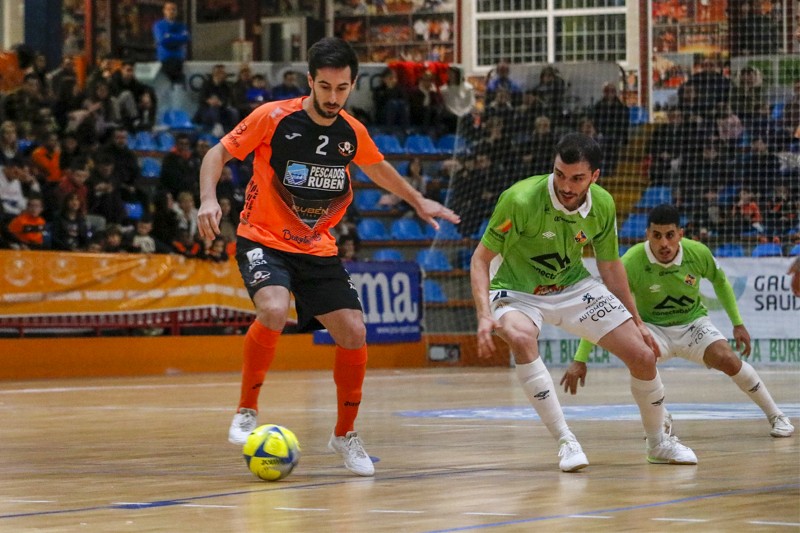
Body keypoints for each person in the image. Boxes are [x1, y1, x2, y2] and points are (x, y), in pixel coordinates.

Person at [196, 37, 460, 477]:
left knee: (355, 332)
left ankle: (345, 434)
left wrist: (418, 200)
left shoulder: (351, 131)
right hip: (262, 236)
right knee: (274, 308)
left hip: (316, 246)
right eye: (324, 87)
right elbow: (217, 152)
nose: (333, 97)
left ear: (352, 85)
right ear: (310, 82)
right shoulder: (274, 117)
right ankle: (246, 409)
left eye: (341, 89)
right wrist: (208, 198)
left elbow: (377, 167)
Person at [469, 132, 697, 473]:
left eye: (577, 178)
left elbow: (609, 266)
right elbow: (480, 260)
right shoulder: (519, 200)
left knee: (643, 355)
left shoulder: (602, 204)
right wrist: (484, 315)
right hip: (516, 291)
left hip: (573, 287)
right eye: (560, 174)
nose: (566, 184)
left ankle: (658, 444)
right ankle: (565, 440)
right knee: (519, 337)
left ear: (594, 176)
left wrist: (636, 320)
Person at [562, 204, 794, 438]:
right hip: (653, 329)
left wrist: (738, 323)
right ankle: (661, 416)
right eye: (657, 236)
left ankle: (776, 415)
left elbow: (721, 282)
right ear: (647, 235)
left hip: (693, 325)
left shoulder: (697, 253)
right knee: (641, 359)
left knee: (728, 359)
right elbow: (604, 307)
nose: (664, 243)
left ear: (680, 235)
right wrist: (580, 359)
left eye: (670, 235)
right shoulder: (632, 261)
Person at [152, 1, 191, 86]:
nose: (171, 11)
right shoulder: (158, 25)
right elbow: (163, 41)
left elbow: (186, 38)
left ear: (177, 11)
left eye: (173, 9)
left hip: (179, 60)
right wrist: (178, 39)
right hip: (165, 59)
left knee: (178, 86)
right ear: (164, 11)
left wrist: (170, 36)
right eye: (169, 9)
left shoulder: (181, 25)